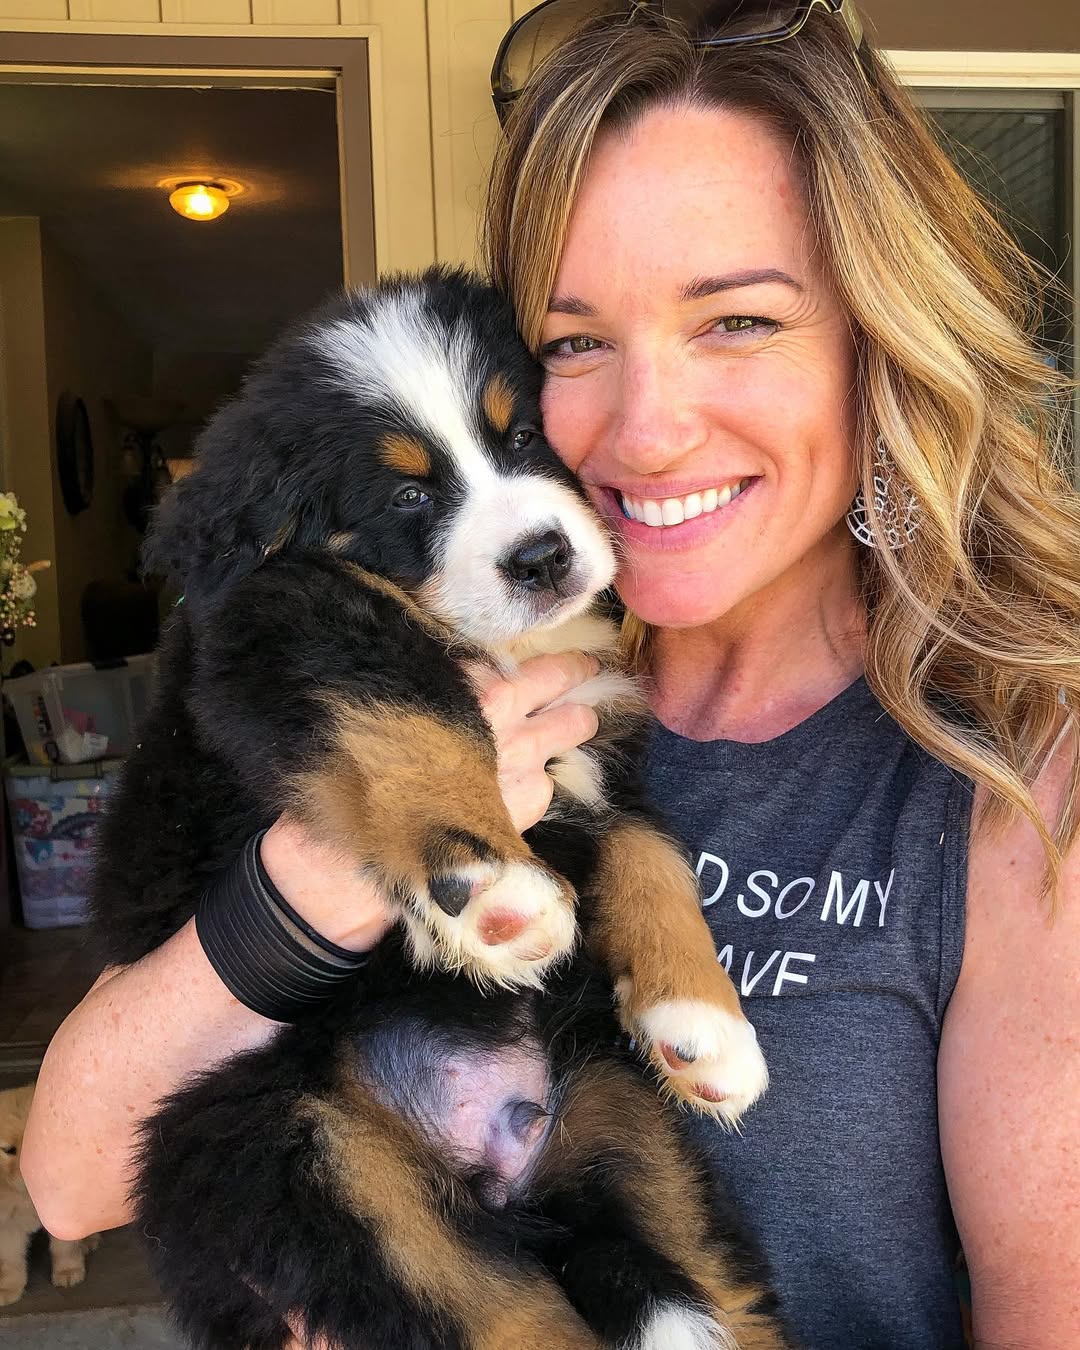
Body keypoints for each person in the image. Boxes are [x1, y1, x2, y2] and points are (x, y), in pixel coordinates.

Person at [22, 2, 1080, 1346]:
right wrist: (352, 861)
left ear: (879, 345)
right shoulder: (435, 664)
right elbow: (72, 1175)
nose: (646, 427)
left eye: (739, 319)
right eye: (577, 340)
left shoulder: (1015, 773)